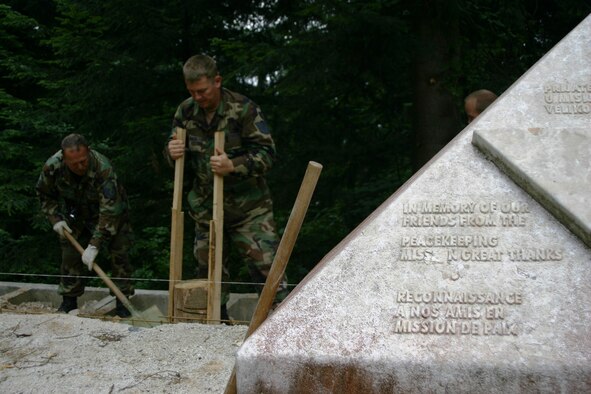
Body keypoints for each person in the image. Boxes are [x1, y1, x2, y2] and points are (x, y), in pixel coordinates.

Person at [165, 54, 287, 319]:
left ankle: (279, 325)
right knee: (210, 276)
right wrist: (172, 151)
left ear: (217, 81)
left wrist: (233, 165)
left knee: (267, 268)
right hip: (206, 208)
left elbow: (268, 154)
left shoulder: (243, 109)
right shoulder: (185, 112)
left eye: (203, 91)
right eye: (192, 92)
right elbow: (175, 154)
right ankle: (215, 325)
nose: (198, 97)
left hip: (250, 209)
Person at [36, 133, 134, 317]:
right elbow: (44, 194)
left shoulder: (103, 168)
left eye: (83, 161)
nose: (80, 167)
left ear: (88, 152)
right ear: (64, 159)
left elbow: (110, 209)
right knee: (70, 255)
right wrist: (56, 220)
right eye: (74, 164)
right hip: (78, 214)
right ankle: (69, 302)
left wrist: (94, 244)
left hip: (112, 214)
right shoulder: (52, 167)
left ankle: (123, 304)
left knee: (120, 254)